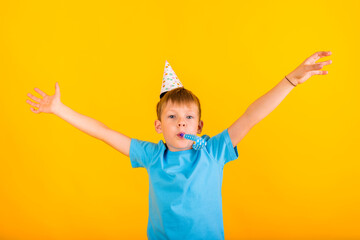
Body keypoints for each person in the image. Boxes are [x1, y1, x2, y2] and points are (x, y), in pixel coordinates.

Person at [26, 51, 332, 239]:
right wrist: (60, 110)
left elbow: (251, 116)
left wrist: (290, 81)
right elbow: (104, 132)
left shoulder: (212, 152)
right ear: (159, 127)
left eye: (188, 117)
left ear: (199, 126)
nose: (181, 122)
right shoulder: (151, 155)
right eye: (172, 116)